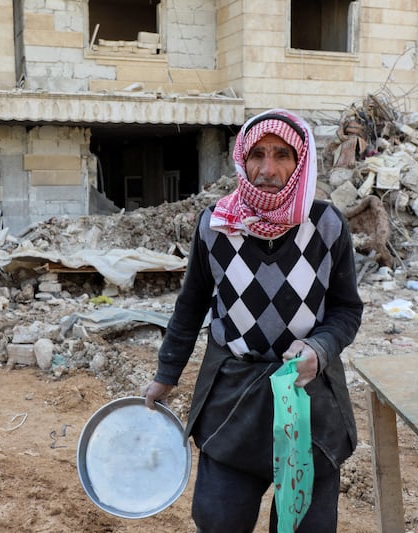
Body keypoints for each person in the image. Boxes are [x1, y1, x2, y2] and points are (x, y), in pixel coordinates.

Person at [142, 109, 363, 532]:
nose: (268, 169)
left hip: (308, 401)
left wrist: (320, 348)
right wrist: (167, 373)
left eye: (282, 155)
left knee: (304, 526)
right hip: (232, 402)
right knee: (219, 520)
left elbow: (346, 310)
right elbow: (190, 307)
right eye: (257, 154)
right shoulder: (215, 226)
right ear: (241, 159)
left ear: (302, 162)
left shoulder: (327, 226)